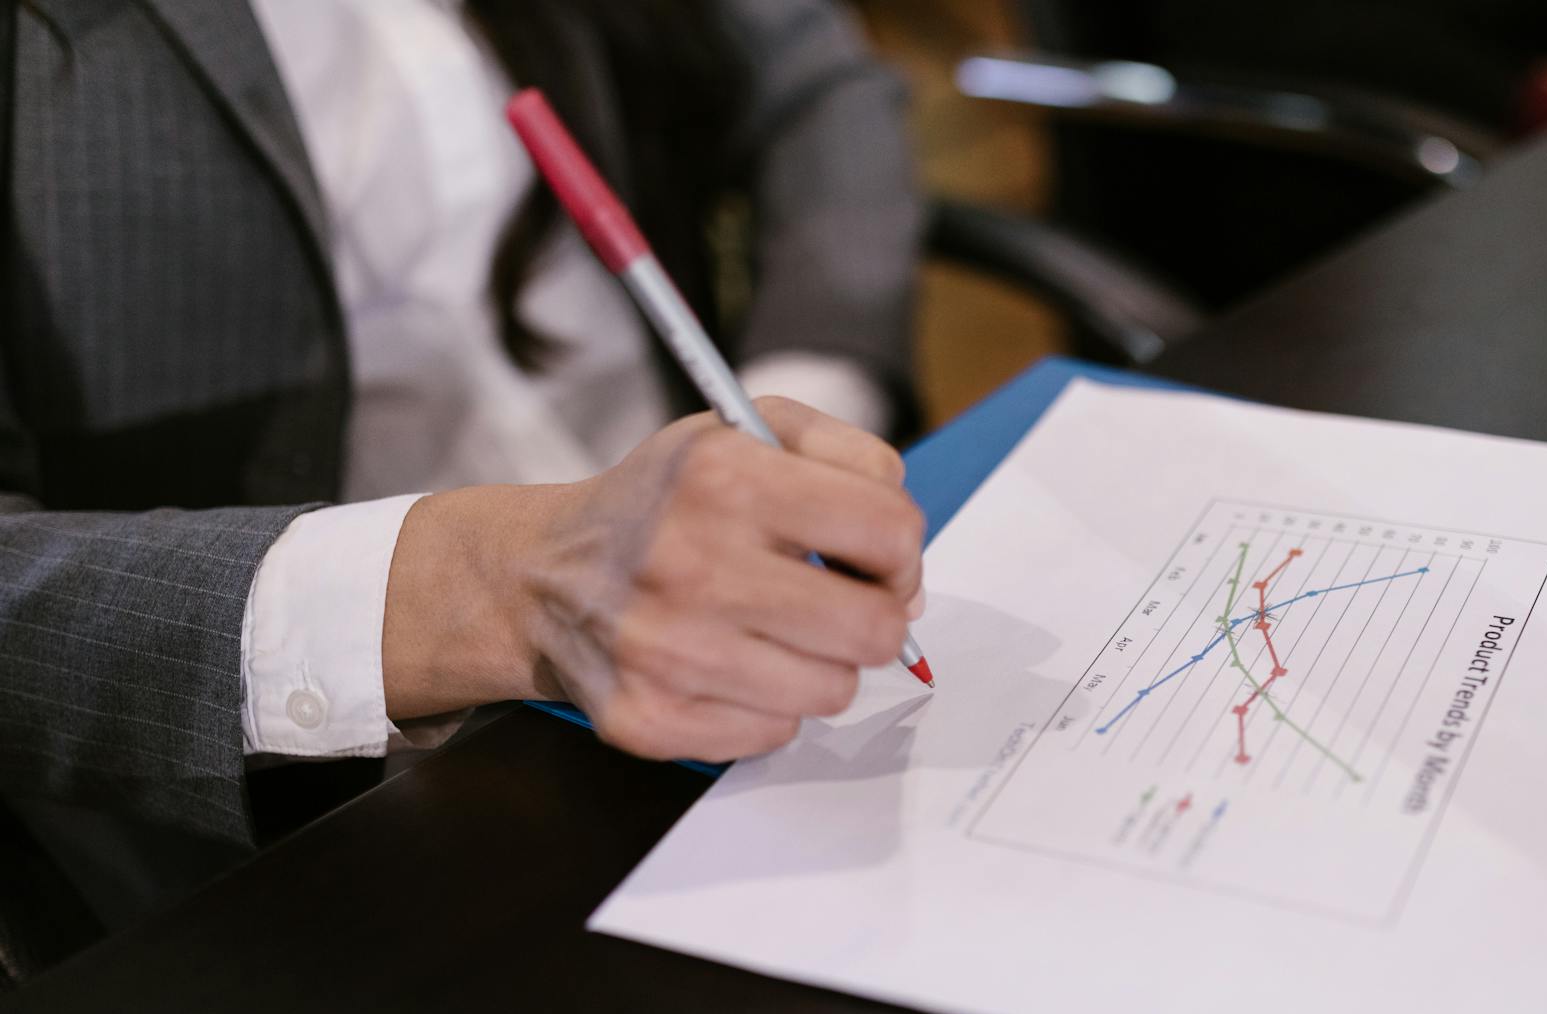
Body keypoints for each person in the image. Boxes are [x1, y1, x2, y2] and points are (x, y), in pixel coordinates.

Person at [0, 0, 925, 926]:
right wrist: (493, 586)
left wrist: (795, 398)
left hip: (734, 648)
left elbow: (812, 81)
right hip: (340, 800)